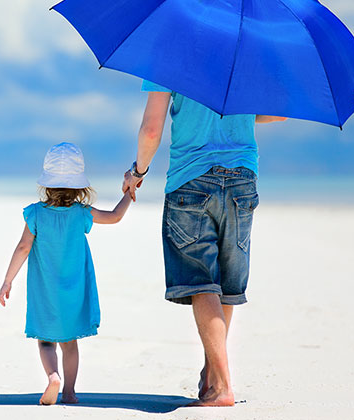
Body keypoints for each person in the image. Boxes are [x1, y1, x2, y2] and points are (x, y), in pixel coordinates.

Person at [122, 81, 286, 407]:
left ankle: (223, 386)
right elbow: (278, 115)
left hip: (191, 178)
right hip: (242, 176)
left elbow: (152, 130)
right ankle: (213, 373)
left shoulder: (170, 53)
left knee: (202, 282)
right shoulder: (245, 54)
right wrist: (231, 112)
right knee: (227, 282)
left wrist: (137, 171)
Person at [0, 142, 131, 406]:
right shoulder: (81, 213)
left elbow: (23, 247)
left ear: (46, 183)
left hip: (44, 290)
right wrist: (129, 192)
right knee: (70, 343)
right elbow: (115, 216)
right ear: (79, 185)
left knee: (46, 341)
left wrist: (7, 280)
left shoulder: (35, 213)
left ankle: (52, 376)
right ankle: (69, 392)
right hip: (74, 289)